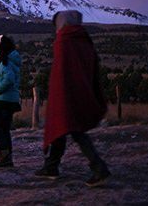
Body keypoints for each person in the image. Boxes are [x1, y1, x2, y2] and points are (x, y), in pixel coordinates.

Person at [35, 10, 111, 187]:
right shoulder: (84, 39)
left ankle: (99, 169)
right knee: (62, 129)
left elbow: (61, 72)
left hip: (67, 94)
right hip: (81, 91)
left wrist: (58, 95)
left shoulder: (64, 40)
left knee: (73, 130)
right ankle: (51, 166)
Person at [0, 35, 22, 168]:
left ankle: (4, 155)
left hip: (3, 100)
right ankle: (7, 157)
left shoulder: (5, 64)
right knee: (4, 128)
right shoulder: (11, 61)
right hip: (11, 100)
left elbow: (9, 79)